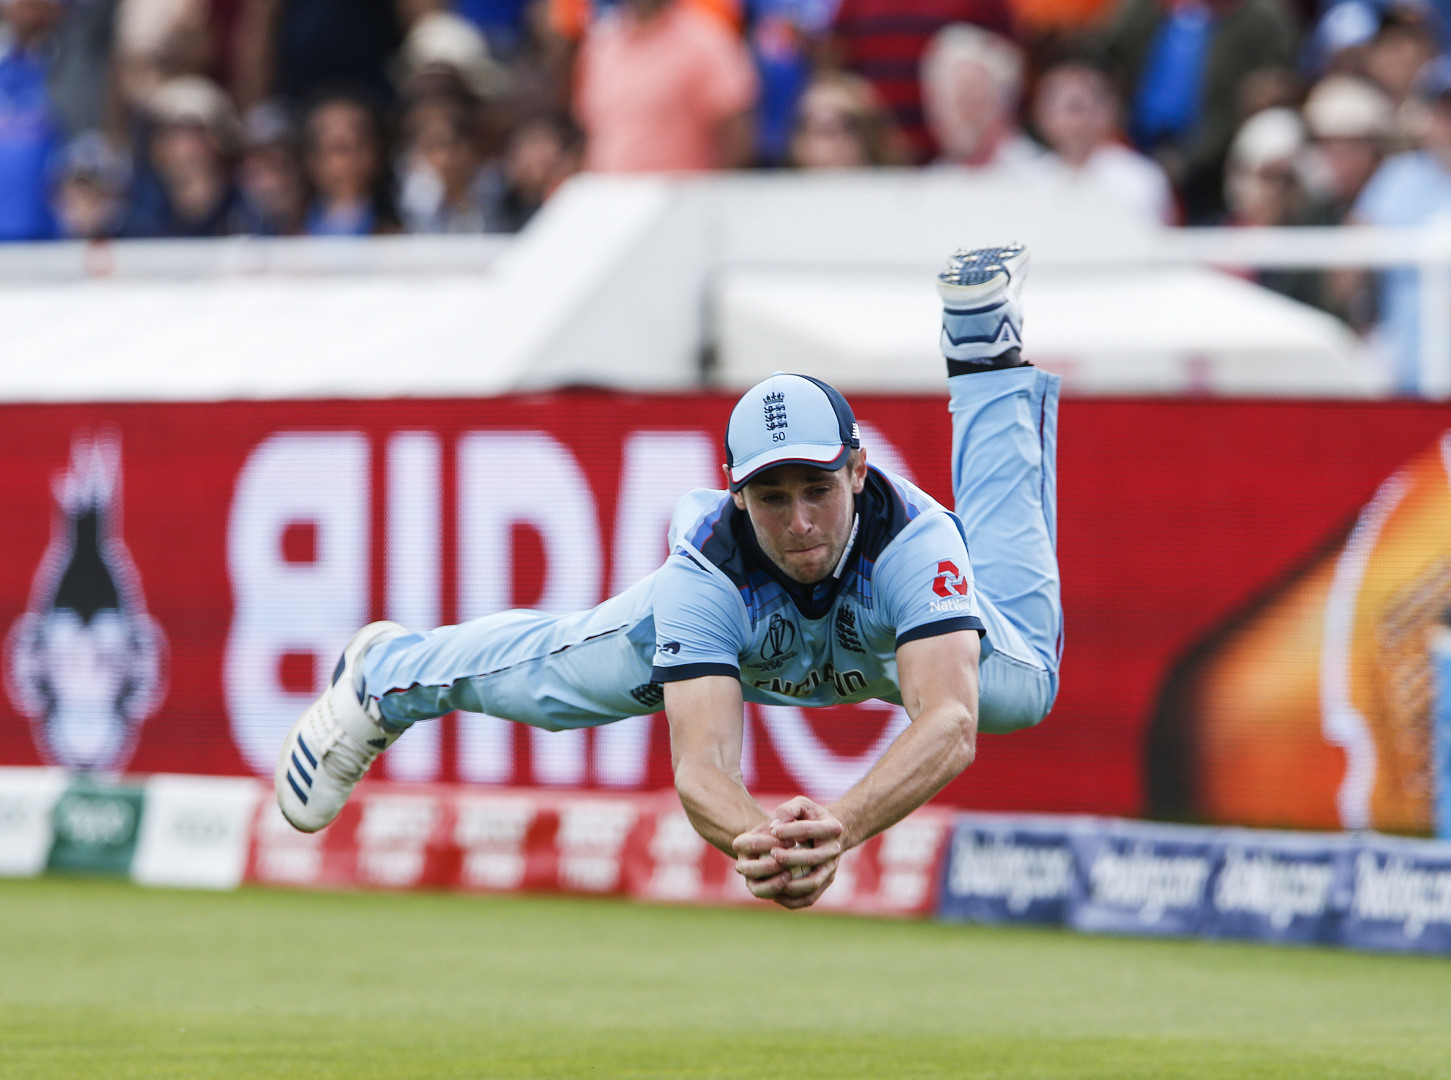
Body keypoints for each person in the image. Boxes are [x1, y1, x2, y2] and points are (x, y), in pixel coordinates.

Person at [275, 244, 1062, 909]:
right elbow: (703, 768)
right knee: (553, 687)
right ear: (733, 490)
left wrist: (841, 827)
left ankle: (983, 357)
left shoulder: (912, 544)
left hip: (892, 632)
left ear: (857, 471)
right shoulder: (704, 573)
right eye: (770, 496)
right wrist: (756, 841)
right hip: (746, 634)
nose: (796, 523)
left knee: (1020, 692)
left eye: (816, 490)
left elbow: (949, 723)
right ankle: (386, 676)